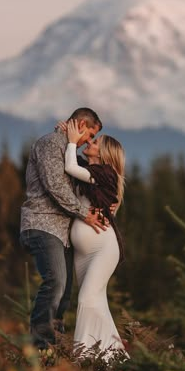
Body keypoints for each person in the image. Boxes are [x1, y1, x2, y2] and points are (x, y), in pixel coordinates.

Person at [19, 107, 107, 350]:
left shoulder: (69, 153)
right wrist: (84, 215)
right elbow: (56, 186)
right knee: (56, 281)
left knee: (65, 290)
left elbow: (86, 172)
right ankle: (40, 346)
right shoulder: (49, 144)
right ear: (79, 124)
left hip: (61, 233)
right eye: (88, 135)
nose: (87, 142)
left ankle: (55, 347)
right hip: (42, 225)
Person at [63, 118, 127, 356]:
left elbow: (71, 166)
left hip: (103, 249)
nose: (89, 141)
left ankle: (82, 359)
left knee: (86, 301)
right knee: (97, 305)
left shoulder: (105, 174)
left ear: (103, 154)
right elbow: (73, 163)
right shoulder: (90, 172)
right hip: (84, 253)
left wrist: (71, 142)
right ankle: (110, 362)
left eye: (95, 141)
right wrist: (65, 135)